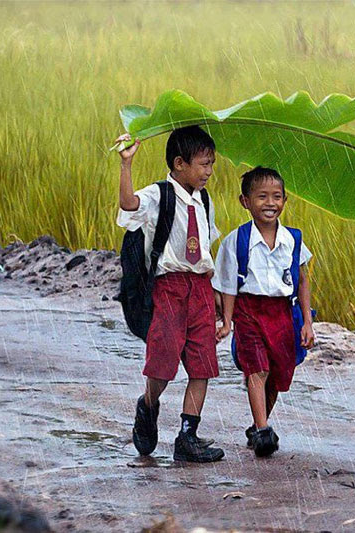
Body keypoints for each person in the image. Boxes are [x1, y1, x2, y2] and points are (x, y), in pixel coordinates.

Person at [115, 126, 224, 463]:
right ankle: (148, 404)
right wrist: (126, 165)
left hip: (200, 289)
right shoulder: (159, 194)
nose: (208, 172)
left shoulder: (204, 200)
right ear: (179, 163)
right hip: (169, 288)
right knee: (162, 364)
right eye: (203, 164)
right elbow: (128, 204)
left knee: (203, 364)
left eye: (211, 164)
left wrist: (216, 294)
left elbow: (205, 248)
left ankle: (187, 436)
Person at [212, 166, 315, 457]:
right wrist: (227, 322)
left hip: (282, 313)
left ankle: (261, 423)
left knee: (280, 373)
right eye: (261, 197)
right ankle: (262, 431)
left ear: (285, 200)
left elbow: (303, 279)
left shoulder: (293, 239)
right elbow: (228, 286)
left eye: (277, 196)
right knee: (258, 368)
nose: (270, 203)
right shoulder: (236, 241)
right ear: (245, 201)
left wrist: (307, 322)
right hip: (248, 311)